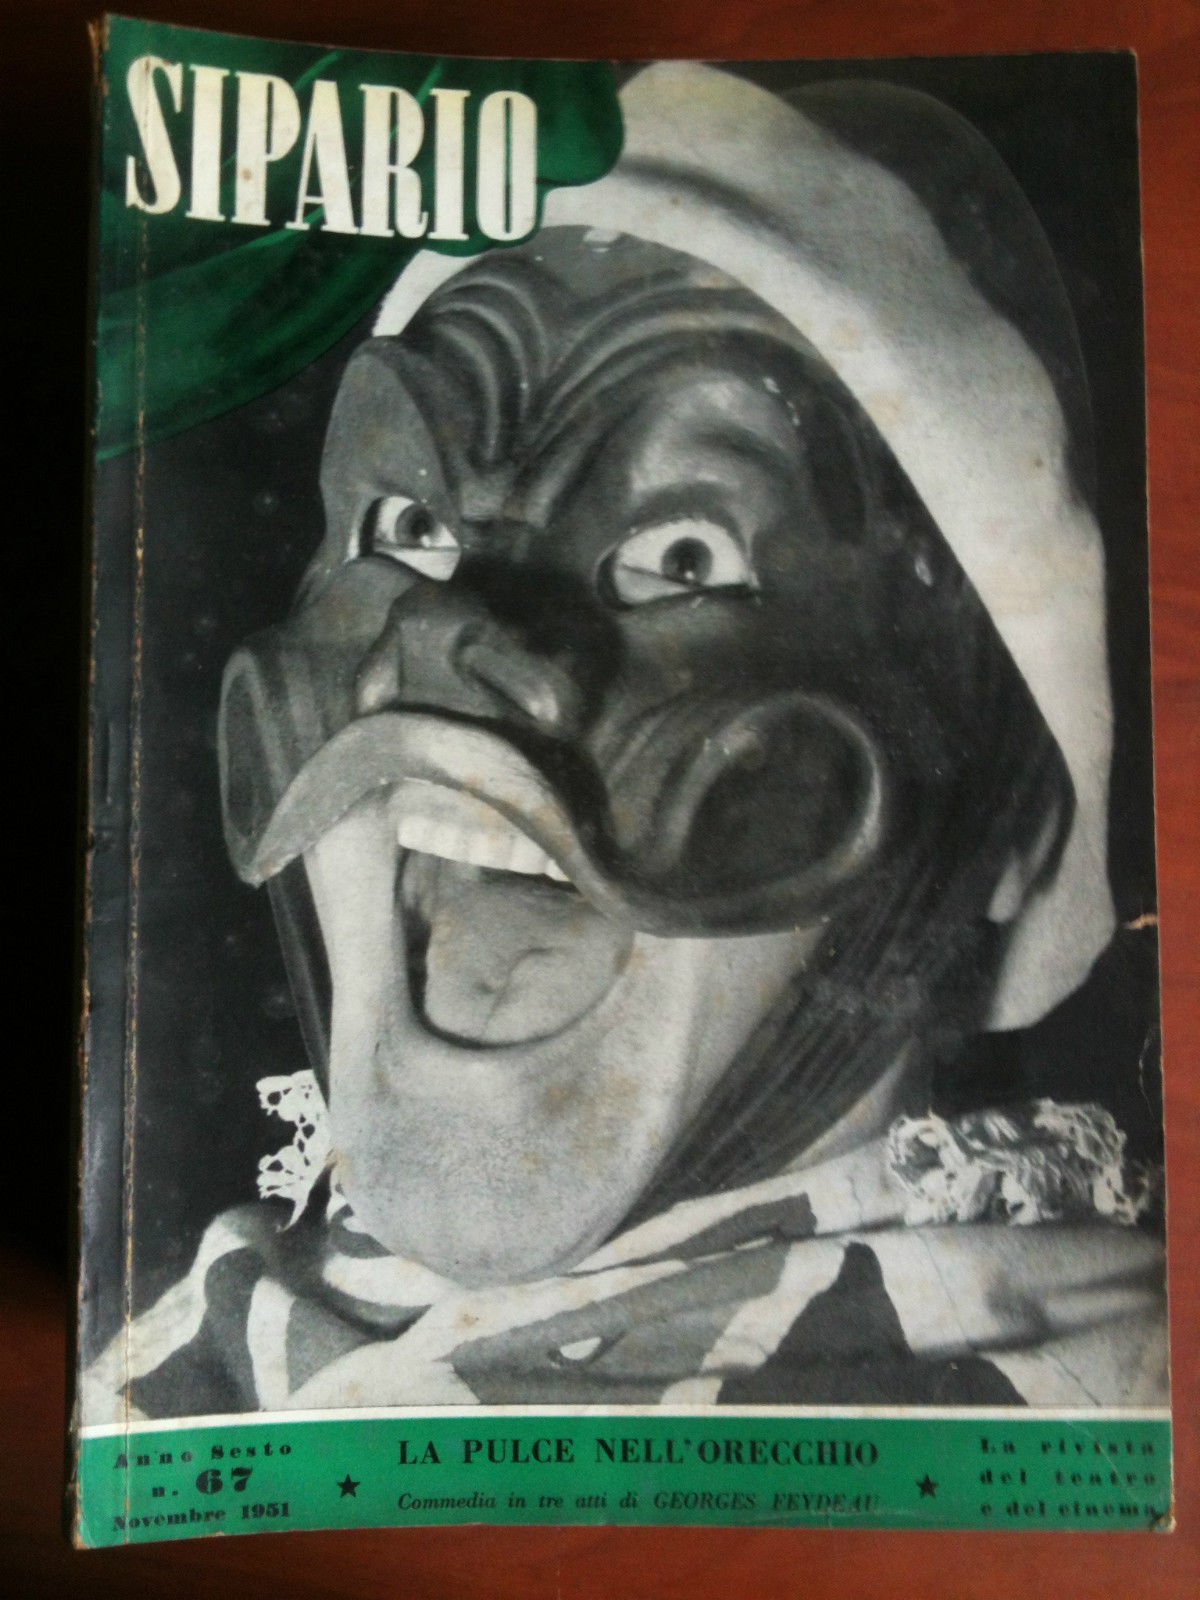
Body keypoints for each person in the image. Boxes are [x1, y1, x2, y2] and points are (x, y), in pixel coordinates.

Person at [86, 63, 1165, 1419]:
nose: (449, 632)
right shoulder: (139, 1400)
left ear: (1012, 827)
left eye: (684, 556)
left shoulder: (1108, 1410)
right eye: (408, 528)